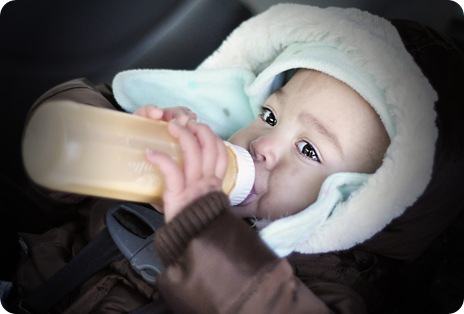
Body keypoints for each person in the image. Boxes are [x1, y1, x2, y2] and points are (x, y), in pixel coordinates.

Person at [3, 3, 464, 314]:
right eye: (269, 114)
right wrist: (132, 132)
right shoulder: (197, 149)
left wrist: (203, 229)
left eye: (308, 150)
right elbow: (57, 170)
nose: (263, 144)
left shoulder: (335, 285)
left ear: (360, 206)